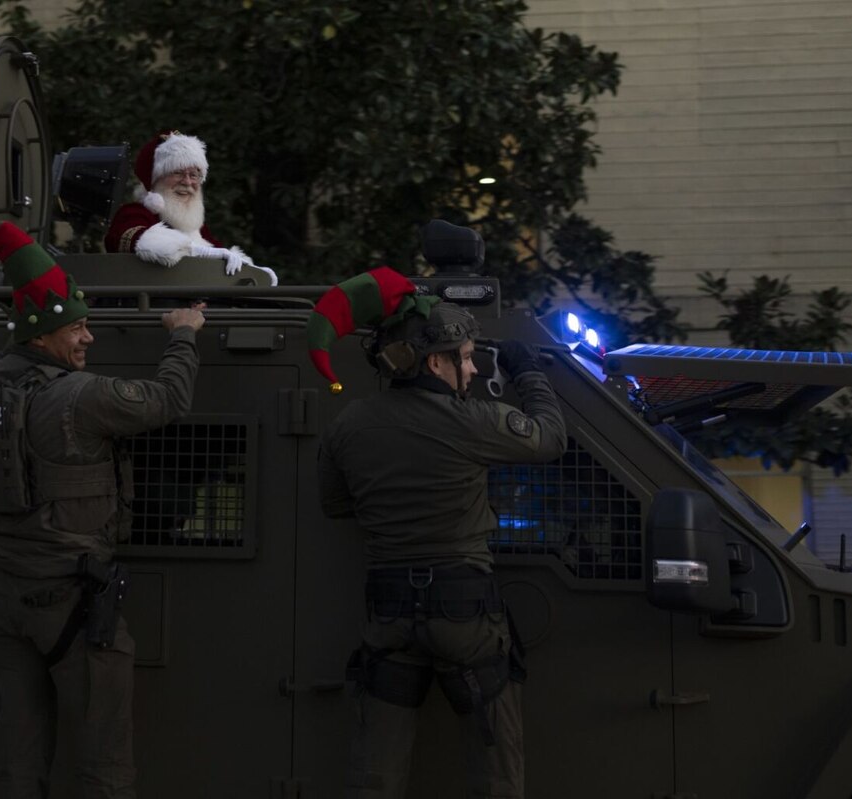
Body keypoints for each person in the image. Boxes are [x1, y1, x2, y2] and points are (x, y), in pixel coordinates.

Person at [0, 219, 205, 798]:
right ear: (43, 334)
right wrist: (184, 334)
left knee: (17, 763)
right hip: (72, 603)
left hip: (4, 602)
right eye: (79, 327)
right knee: (104, 767)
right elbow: (168, 400)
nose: (89, 338)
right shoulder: (78, 396)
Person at [311, 267, 568, 798]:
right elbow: (549, 440)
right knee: (496, 767)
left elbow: (337, 506)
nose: (472, 370)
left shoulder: (349, 425)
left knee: (375, 773)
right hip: (466, 617)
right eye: (466, 357)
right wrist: (530, 375)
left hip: (389, 618)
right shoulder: (471, 421)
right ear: (434, 361)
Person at [104, 130, 277, 285]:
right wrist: (192, 250)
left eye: (194, 175)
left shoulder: (195, 227)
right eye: (177, 173)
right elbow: (137, 241)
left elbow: (221, 255)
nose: (187, 182)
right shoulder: (134, 212)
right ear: (155, 180)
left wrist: (251, 270)